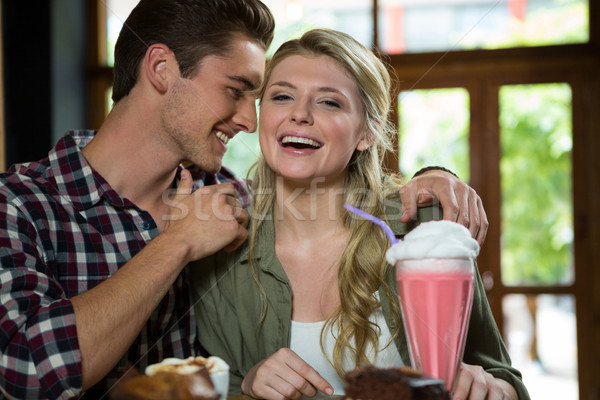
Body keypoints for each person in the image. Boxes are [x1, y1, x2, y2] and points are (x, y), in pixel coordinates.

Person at [0, 1, 485, 399]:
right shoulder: (21, 205)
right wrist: (177, 245)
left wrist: (433, 180)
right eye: (236, 91)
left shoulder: (228, 198)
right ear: (162, 69)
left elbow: (328, 195)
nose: (251, 121)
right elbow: (28, 372)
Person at [190, 29, 529, 400]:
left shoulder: (423, 230)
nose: (299, 114)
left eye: (329, 103)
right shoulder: (220, 248)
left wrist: (487, 388)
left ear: (366, 133)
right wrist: (247, 384)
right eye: (282, 96)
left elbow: (503, 379)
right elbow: (207, 384)